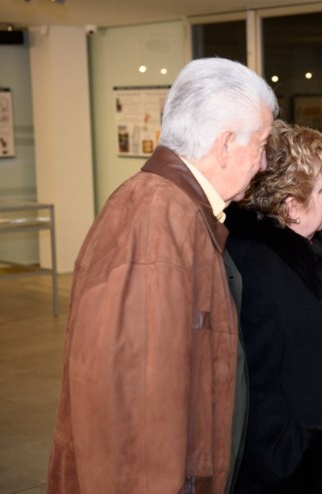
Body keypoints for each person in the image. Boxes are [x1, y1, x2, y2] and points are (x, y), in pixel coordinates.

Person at [47, 58, 277, 493]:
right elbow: (137, 413)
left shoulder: (176, 209)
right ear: (226, 143)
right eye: (261, 144)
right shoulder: (158, 222)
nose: (263, 163)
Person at [224, 120, 322, 493]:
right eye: (321, 189)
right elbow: (255, 395)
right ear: (290, 208)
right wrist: (302, 461)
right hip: (302, 475)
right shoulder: (257, 274)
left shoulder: (301, 248)